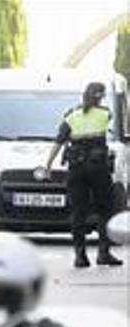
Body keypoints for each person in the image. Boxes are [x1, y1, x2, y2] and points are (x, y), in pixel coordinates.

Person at [44, 82, 123, 268]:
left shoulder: (71, 115)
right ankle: (104, 254)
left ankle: (80, 256)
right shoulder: (105, 114)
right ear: (101, 96)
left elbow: (58, 142)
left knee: (78, 212)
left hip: (76, 169)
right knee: (105, 209)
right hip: (98, 169)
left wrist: (47, 165)